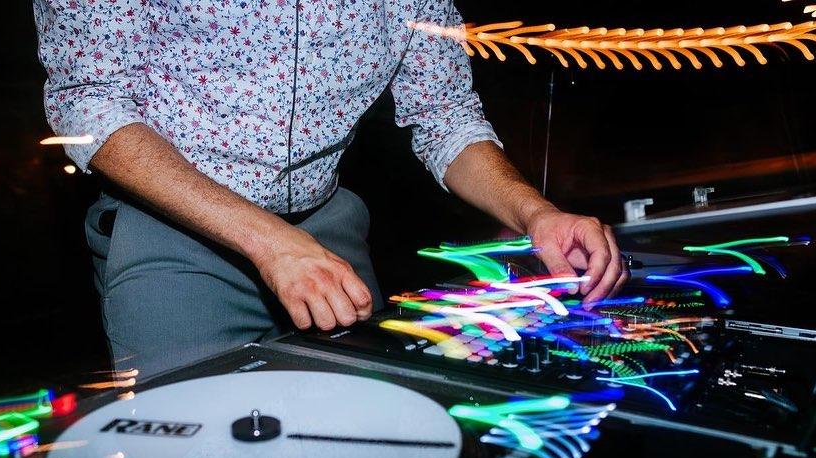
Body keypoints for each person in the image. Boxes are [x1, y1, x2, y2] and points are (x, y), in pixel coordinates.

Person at [33, 0, 627, 377]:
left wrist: (535, 213)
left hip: (327, 231)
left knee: (361, 447)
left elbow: (444, 113)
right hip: (174, 233)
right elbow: (89, 103)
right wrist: (270, 242)